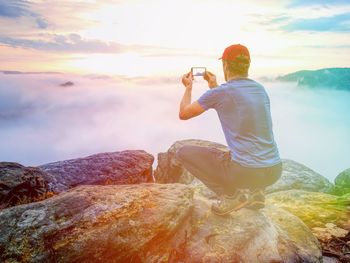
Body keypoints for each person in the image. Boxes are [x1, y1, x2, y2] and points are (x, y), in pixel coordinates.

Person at [176, 43, 282, 216]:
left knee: (183, 152)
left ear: (225, 65)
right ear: (248, 65)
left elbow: (184, 113)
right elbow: (234, 105)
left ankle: (232, 196)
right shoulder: (260, 89)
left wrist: (188, 87)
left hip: (245, 172)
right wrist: (214, 85)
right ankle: (257, 193)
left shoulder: (222, 92)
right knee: (250, 145)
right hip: (274, 170)